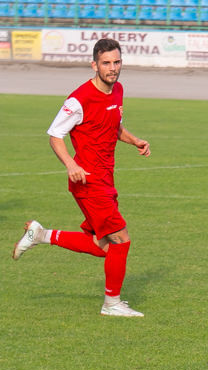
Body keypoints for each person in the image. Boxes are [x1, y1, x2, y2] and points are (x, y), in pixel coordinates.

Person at [12, 38, 150, 317]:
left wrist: (135, 140)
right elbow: (55, 135)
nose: (112, 68)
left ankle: (42, 234)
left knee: (102, 246)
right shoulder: (79, 99)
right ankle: (111, 304)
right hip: (87, 181)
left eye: (116, 62)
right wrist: (70, 164)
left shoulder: (118, 90)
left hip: (106, 180)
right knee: (121, 240)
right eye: (106, 63)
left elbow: (114, 127)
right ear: (94, 65)